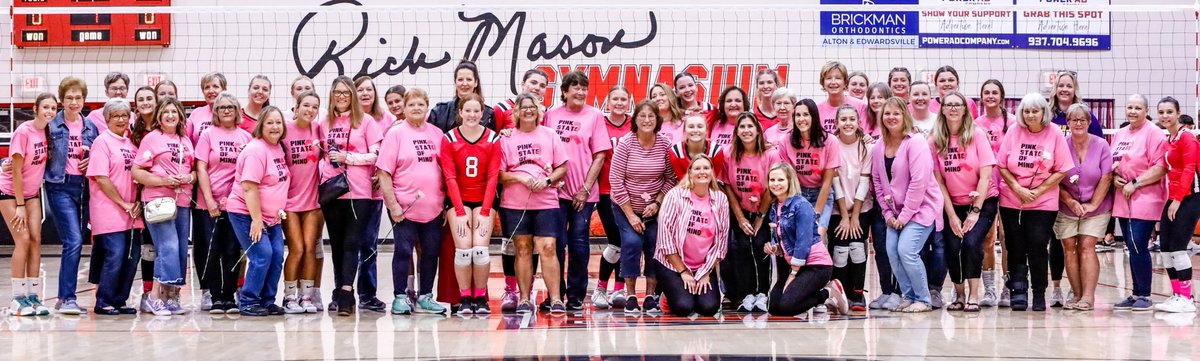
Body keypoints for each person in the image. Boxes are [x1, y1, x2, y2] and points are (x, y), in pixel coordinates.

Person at [996, 93, 1073, 311]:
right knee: (1014, 246)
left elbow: (1062, 169)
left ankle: (1039, 293)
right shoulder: (1014, 131)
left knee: (1038, 246)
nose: (1030, 115)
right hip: (1012, 200)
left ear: (1043, 112)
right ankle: (1018, 291)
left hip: (1043, 201)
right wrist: (1017, 188)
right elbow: (1001, 165)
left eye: (1035, 111)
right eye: (1027, 111)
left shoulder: (1054, 132)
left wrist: (1038, 191)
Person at [542, 71, 611, 310]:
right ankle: (555, 294)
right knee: (555, 243)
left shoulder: (594, 115)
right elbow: (542, 148)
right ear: (564, 91)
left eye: (584, 88)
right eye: (575, 88)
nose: (580, 92)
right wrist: (551, 179)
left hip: (583, 193)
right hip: (555, 191)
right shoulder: (551, 115)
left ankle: (576, 295)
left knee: (579, 242)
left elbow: (600, 155)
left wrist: (585, 188)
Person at [317, 76, 383, 316]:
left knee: (352, 243)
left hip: (358, 191)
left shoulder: (366, 121)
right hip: (332, 189)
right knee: (336, 244)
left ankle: (347, 293)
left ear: (352, 95)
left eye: (346, 92)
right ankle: (338, 291)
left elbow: (376, 155)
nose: (342, 96)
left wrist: (348, 158)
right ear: (332, 95)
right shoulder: (324, 122)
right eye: (337, 92)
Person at [871, 97, 942, 313]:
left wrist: (903, 217)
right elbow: (877, 182)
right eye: (887, 113)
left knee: (906, 250)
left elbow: (919, 182)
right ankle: (908, 296)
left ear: (905, 116)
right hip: (895, 212)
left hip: (922, 208)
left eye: (896, 113)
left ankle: (923, 299)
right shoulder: (879, 146)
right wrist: (887, 213)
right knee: (892, 252)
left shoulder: (916, 142)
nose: (891, 117)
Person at [499, 92, 568, 314]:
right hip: (514, 203)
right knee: (522, 248)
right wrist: (520, 178)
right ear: (516, 112)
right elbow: (499, 175)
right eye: (524, 107)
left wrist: (546, 180)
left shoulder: (550, 135)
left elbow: (562, 167)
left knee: (548, 247)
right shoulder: (506, 138)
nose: (528, 110)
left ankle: (556, 299)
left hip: (546, 201)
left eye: (532, 107)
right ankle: (524, 298)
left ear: (538, 111)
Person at [929, 92, 998, 313]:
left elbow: (985, 176)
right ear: (942, 109)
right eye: (948, 105)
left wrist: (975, 211)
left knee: (970, 243)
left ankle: (974, 295)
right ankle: (959, 295)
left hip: (982, 201)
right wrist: (951, 215)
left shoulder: (977, 135)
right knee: (952, 246)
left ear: (965, 110)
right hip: (951, 203)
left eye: (957, 105)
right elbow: (939, 182)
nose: (953, 108)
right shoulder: (935, 140)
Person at [609, 100, 677, 314]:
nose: (647, 120)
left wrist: (657, 202)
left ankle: (649, 295)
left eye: (651, 116)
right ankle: (630, 295)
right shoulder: (626, 143)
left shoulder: (665, 144)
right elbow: (615, 180)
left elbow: (671, 178)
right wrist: (631, 215)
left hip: (654, 208)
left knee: (653, 244)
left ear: (657, 120)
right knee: (631, 242)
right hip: (625, 207)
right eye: (642, 116)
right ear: (635, 119)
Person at [132, 96, 196, 316]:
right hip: (158, 200)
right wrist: (164, 180)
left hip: (182, 201)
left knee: (180, 250)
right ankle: (154, 297)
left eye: (174, 112)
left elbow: (194, 171)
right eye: (166, 112)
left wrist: (188, 177)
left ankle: (170, 296)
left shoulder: (185, 140)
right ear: (159, 116)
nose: (170, 115)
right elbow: (137, 172)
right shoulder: (152, 139)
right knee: (167, 246)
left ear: (180, 116)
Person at [438, 92, 501, 315]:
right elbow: (450, 177)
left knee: (480, 250)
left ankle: (480, 298)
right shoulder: (449, 138)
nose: (472, 115)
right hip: (459, 199)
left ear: (482, 113)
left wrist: (485, 211)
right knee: (464, 250)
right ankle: (465, 298)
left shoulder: (492, 139)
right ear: (460, 112)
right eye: (468, 110)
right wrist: (459, 210)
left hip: (484, 199)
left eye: (476, 111)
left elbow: (493, 177)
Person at [226, 106, 291, 316]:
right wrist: (256, 219)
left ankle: (266, 300)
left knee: (277, 255)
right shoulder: (256, 150)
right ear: (261, 125)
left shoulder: (278, 147)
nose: (275, 127)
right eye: (269, 122)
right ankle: (248, 301)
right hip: (246, 213)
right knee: (262, 255)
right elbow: (249, 187)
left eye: (278, 122)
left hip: (271, 217)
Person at [45, 76, 101, 315]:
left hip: (84, 188)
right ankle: (66, 298)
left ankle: (64, 298)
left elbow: (100, 156)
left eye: (78, 98)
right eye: (69, 98)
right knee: (74, 241)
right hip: (59, 187)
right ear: (61, 100)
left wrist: (91, 162)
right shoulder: (51, 125)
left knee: (76, 243)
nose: (74, 102)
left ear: (84, 100)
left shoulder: (90, 127)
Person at [764, 162, 850, 316]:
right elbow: (784, 239)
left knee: (786, 307)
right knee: (773, 307)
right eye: (772, 180)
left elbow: (803, 244)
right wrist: (774, 247)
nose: (776, 184)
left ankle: (829, 293)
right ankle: (804, 296)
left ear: (790, 181)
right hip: (796, 264)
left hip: (816, 266)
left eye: (781, 180)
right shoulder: (775, 206)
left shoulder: (801, 205)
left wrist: (793, 274)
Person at [194, 93, 253, 314]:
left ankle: (229, 297)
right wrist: (210, 200)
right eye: (221, 107)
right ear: (216, 112)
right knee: (212, 250)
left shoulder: (246, 137)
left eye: (230, 107)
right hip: (208, 204)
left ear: (237, 110)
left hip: (236, 204)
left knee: (232, 250)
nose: (226, 110)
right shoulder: (208, 134)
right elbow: (201, 168)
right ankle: (215, 297)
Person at [1109, 94, 1167, 312]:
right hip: (1123, 197)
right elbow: (1112, 162)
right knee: (1130, 246)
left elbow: (1160, 168)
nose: (1132, 111)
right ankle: (1135, 294)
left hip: (1145, 197)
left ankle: (1145, 295)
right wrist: (1114, 179)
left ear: (1146, 111)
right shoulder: (1121, 133)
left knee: (1138, 245)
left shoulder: (1154, 133)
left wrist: (1135, 183)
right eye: (1130, 107)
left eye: (1138, 108)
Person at [1054, 103, 1112, 312]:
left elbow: (1106, 176)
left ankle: (1088, 297)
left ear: (1089, 122)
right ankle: (1077, 295)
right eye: (1074, 120)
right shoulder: (1061, 144)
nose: (1078, 123)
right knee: (1069, 249)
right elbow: (1054, 178)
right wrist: (1070, 201)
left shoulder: (1101, 145)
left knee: (1087, 247)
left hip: (1097, 206)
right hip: (1066, 205)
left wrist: (1093, 204)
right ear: (1068, 123)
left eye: (1082, 120)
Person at [654, 155, 729, 317]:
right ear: (689, 173)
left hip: (703, 265)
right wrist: (683, 272)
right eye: (697, 168)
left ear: (712, 172)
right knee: (683, 307)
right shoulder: (674, 196)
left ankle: (690, 291)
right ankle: (667, 294)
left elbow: (721, 243)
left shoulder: (720, 199)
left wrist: (705, 272)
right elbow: (665, 241)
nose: (702, 172)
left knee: (708, 308)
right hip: (672, 263)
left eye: (706, 168)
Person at [1, 93, 54, 316]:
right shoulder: (23, 132)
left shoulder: (47, 131)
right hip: (10, 192)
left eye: (53, 108)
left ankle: (33, 296)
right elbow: (14, 171)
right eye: (46, 107)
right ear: (35, 108)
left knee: (35, 241)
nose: (50, 111)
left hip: (32, 193)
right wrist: (20, 205)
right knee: (22, 240)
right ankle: (17, 298)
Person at [87, 99, 141, 315]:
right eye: (116, 115)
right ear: (107, 119)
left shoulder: (131, 143)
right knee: (115, 254)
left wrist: (137, 202)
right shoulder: (102, 142)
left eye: (124, 115)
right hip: (108, 209)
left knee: (132, 256)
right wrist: (123, 203)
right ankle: (104, 300)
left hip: (132, 212)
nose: (121, 119)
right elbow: (101, 177)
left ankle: (120, 300)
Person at [720, 113, 772, 313]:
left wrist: (760, 217)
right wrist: (740, 218)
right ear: (736, 131)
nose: (746, 130)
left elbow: (772, 188)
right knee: (741, 248)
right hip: (739, 210)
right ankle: (747, 293)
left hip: (764, 209)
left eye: (750, 126)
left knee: (761, 246)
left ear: (758, 130)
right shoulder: (728, 153)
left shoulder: (770, 154)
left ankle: (763, 293)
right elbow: (727, 186)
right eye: (742, 127)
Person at [1152, 97, 1200, 313]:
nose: (1165, 116)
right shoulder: (1169, 139)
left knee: (1178, 249)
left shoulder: (1187, 138)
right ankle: (1177, 294)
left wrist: (1178, 200)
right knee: (1165, 249)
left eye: (1169, 112)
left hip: (1191, 197)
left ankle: (1187, 299)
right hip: (1174, 197)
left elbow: (1189, 170)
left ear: (1178, 113)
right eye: (1161, 112)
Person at [281, 91, 325, 314]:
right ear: (296, 107)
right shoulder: (284, 129)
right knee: (296, 248)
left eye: (315, 107)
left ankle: (306, 296)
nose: (310, 110)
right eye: (306, 105)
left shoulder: (318, 129)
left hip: (312, 201)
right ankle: (289, 297)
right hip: (289, 201)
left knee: (310, 249)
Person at [769, 99, 838, 240]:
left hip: (821, 193)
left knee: (816, 237)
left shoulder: (830, 140)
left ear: (814, 116)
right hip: (797, 192)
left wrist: (815, 214)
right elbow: (788, 178)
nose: (801, 119)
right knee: (796, 238)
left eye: (806, 114)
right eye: (797, 115)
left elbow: (827, 182)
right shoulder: (786, 140)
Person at [830, 105, 875, 311]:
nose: (848, 123)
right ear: (836, 123)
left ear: (858, 122)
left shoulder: (866, 147)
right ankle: (839, 294)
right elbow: (835, 182)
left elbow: (864, 182)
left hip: (861, 208)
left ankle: (857, 294)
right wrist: (844, 216)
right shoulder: (831, 145)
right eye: (843, 119)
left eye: (851, 119)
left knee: (857, 249)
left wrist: (854, 216)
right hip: (837, 210)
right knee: (839, 251)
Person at [593, 86, 633, 310]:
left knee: (626, 242)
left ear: (629, 102)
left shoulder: (634, 125)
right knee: (615, 241)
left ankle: (618, 289)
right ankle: (600, 288)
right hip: (606, 192)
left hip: (630, 193)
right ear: (607, 102)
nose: (619, 103)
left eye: (623, 99)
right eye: (615, 99)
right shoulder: (599, 123)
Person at [974, 79, 1013, 307]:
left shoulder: (1014, 122)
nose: (990, 96)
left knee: (1007, 240)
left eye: (994, 92)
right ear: (981, 97)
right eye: (986, 92)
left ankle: (1007, 288)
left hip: (1009, 188)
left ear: (1001, 96)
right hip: (985, 188)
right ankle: (989, 289)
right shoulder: (976, 124)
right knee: (986, 240)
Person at [430, 60, 495, 131]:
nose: (464, 83)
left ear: (476, 82)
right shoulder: (439, 111)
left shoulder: (488, 115)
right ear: (455, 82)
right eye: (460, 79)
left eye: (469, 79)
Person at [670, 115, 726, 181]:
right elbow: (682, 181)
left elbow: (712, 179)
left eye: (700, 126)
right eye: (691, 127)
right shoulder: (676, 151)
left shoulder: (716, 151)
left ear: (706, 130)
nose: (695, 130)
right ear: (684, 131)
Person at [816, 61, 867, 135]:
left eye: (838, 78)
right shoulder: (817, 109)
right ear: (823, 83)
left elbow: (865, 136)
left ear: (845, 82)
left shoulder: (861, 106)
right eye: (829, 78)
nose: (833, 82)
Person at [1050, 71, 1104, 138]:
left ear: (1075, 90)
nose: (1064, 89)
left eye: (1069, 86)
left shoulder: (1086, 116)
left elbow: (1099, 141)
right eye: (1061, 86)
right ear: (1055, 89)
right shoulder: (1047, 116)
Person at [186, 72, 228, 144]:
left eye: (215, 86)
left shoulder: (231, 113)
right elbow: (186, 139)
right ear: (203, 92)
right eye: (207, 87)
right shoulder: (196, 113)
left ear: (224, 90)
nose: (211, 91)